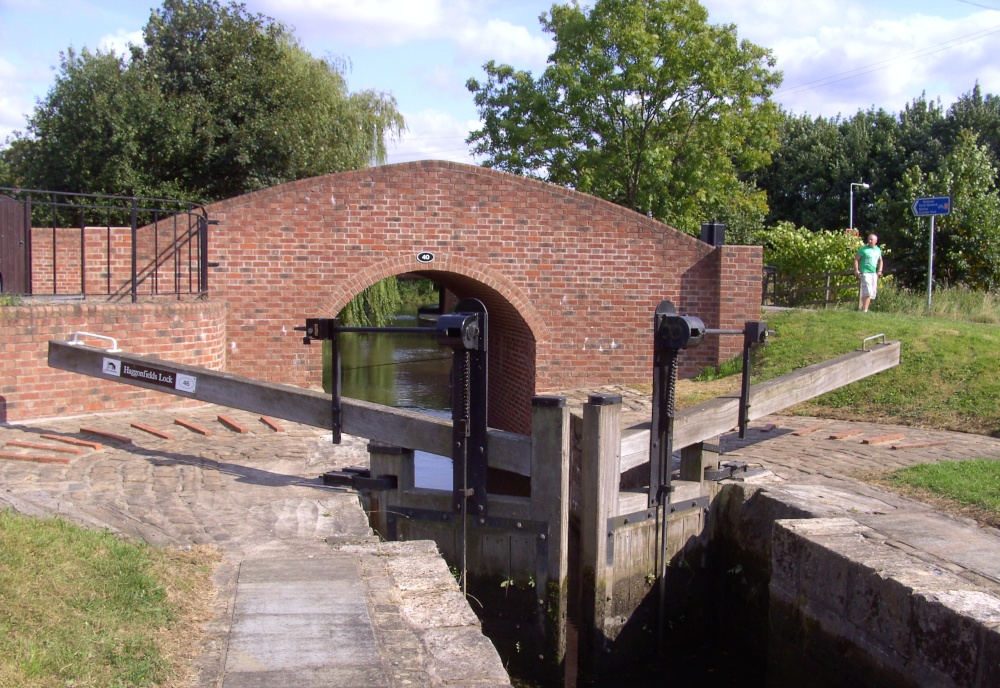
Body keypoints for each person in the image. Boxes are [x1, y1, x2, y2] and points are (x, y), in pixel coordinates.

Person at [854, 233, 883, 312]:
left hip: (873, 273)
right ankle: (865, 310)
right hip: (865, 272)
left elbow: (880, 260)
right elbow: (856, 259)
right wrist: (857, 270)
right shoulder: (863, 249)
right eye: (869, 239)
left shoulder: (878, 250)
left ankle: (866, 309)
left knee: (872, 292)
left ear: (876, 241)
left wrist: (880, 270)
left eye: (872, 240)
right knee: (867, 290)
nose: (870, 241)